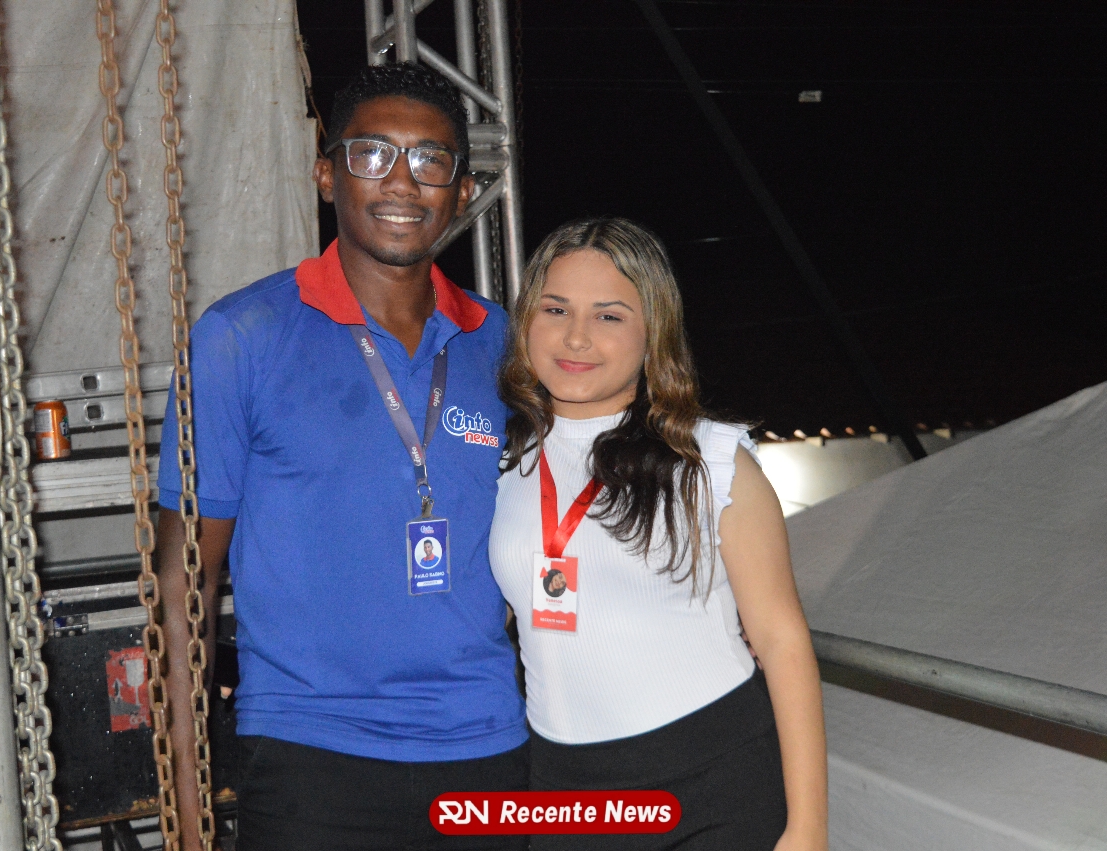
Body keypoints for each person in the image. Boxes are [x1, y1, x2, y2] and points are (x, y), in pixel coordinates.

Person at [155, 64, 528, 851]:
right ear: (327, 175)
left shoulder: (501, 342)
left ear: (463, 192)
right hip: (310, 757)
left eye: (430, 160)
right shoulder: (241, 335)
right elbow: (185, 575)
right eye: (372, 154)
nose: (402, 182)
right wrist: (185, 799)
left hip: (486, 746)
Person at [490, 217, 828, 850]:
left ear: (653, 334)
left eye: (609, 316)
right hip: (562, 791)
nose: (576, 336)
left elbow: (783, 643)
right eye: (556, 309)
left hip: (714, 783)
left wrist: (808, 829)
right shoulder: (501, 460)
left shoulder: (712, 461)